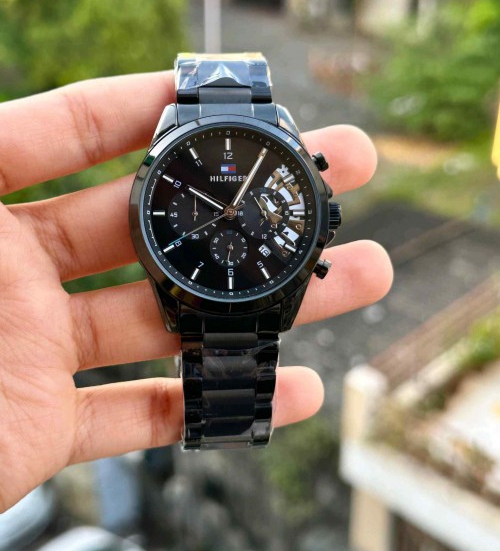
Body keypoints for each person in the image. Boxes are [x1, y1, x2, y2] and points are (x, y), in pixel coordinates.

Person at [0, 71, 393, 512]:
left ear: (324, 220)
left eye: (239, 208)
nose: (232, 213)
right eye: (226, 209)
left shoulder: (272, 165)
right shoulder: (180, 182)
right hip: (203, 287)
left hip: (244, 288)